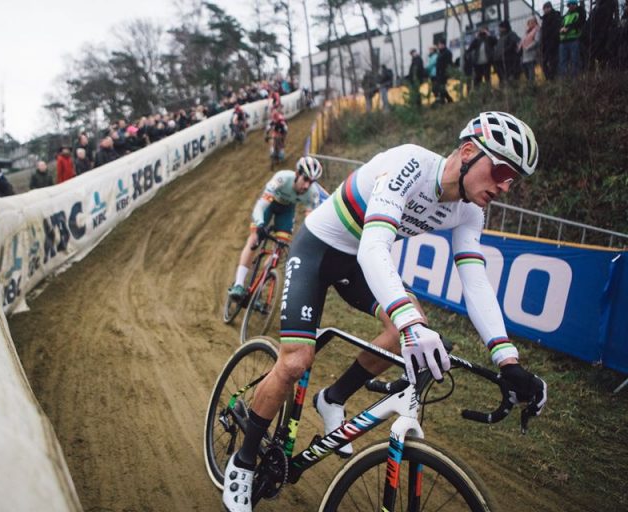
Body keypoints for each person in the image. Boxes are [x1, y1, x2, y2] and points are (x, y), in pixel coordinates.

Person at [222, 112, 548, 512]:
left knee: (406, 325)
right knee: (295, 361)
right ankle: (243, 461)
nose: (503, 186)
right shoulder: (409, 165)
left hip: (356, 263)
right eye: (500, 171)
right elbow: (374, 248)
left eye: (512, 179)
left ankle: (332, 398)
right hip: (318, 251)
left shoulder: (470, 211)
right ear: (467, 152)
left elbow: (475, 279)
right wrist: (408, 319)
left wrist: (507, 359)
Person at [227, 156, 323, 302]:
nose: (306, 186)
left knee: (278, 251)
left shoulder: (312, 194)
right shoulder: (282, 178)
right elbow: (261, 205)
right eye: (305, 179)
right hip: (270, 205)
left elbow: (310, 223)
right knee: (254, 240)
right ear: (297, 174)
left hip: (286, 211)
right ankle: (239, 284)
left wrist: (303, 242)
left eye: (312, 182)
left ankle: (258, 290)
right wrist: (259, 225)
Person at [559, 0, 585, 77]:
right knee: (563, 62)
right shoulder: (566, 16)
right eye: (569, 5)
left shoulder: (579, 13)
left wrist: (568, 28)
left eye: (573, 4)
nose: (571, 6)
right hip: (563, 40)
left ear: (576, 5)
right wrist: (561, 29)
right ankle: (564, 79)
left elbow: (580, 23)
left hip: (574, 39)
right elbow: (561, 24)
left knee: (575, 60)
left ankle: (575, 79)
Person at [541, 1, 562, 80]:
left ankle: (554, 78)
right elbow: (543, 32)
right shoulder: (544, 19)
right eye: (544, 9)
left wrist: (553, 41)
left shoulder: (555, 16)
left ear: (549, 8)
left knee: (554, 62)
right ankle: (550, 78)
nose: (545, 11)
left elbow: (555, 30)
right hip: (546, 44)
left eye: (546, 8)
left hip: (554, 43)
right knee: (545, 63)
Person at [519, 17, 542, 82]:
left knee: (531, 69)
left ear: (535, 23)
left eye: (531, 22)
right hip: (524, 54)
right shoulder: (527, 32)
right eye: (529, 22)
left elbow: (537, 41)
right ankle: (530, 83)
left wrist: (528, 47)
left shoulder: (537, 30)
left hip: (532, 53)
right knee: (525, 69)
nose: (529, 24)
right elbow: (522, 40)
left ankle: (532, 84)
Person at [434, 39, 454, 104]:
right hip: (439, 73)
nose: (438, 46)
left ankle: (446, 100)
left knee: (441, 87)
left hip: (443, 73)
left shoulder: (447, 52)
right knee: (440, 87)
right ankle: (446, 100)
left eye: (439, 45)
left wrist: (447, 72)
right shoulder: (440, 53)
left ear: (443, 45)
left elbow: (448, 64)